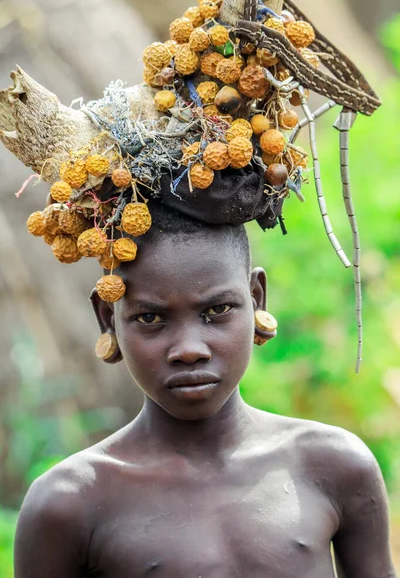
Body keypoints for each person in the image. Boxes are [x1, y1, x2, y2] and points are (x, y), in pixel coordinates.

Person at [14, 201, 396, 578]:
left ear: (256, 298)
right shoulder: (68, 503)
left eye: (217, 311)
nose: (189, 349)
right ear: (108, 318)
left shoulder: (334, 466)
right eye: (150, 317)